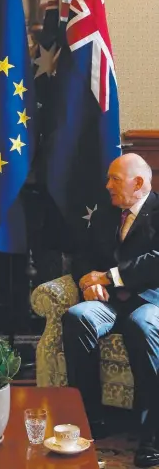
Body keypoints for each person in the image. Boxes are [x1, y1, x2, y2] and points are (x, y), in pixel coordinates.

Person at [62, 153, 159, 469]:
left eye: (114, 179)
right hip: (110, 303)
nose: (107, 186)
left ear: (139, 183)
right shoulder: (105, 214)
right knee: (78, 317)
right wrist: (87, 282)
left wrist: (108, 277)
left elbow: (154, 262)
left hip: (149, 301)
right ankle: (91, 417)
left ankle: (151, 436)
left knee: (141, 326)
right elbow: (82, 257)